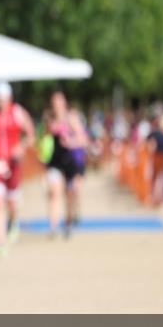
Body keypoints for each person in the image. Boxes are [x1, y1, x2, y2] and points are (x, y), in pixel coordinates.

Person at [0, 82, 36, 259]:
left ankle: (13, 222)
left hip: (13, 165)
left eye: (2, 97)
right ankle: (1, 244)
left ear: (9, 98)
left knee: (12, 202)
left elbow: (31, 135)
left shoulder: (18, 113)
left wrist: (21, 147)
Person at [44, 92, 89, 238]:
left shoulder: (71, 118)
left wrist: (71, 142)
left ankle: (68, 222)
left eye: (59, 102)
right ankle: (53, 226)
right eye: (54, 102)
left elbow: (84, 139)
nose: (56, 105)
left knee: (69, 195)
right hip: (55, 161)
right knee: (54, 193)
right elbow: (43, 139)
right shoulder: (49, 120)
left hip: (69, 161)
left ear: (64, 103)